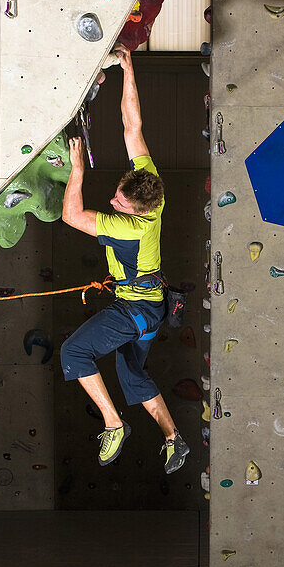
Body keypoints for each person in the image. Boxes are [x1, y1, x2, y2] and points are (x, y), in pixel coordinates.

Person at [59, 44, 190, 474]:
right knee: (132, 372)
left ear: (136, 211)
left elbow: (72, 216)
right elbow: (132, 125)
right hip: (149, 310)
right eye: (118, 190)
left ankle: (114, 422)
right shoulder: (153, 188)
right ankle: (174, 439)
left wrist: (78, 173)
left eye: (118, 200)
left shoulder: (130, 227)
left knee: (75, 353)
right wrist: (128, 69)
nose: (113, 198)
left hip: (136, 308)